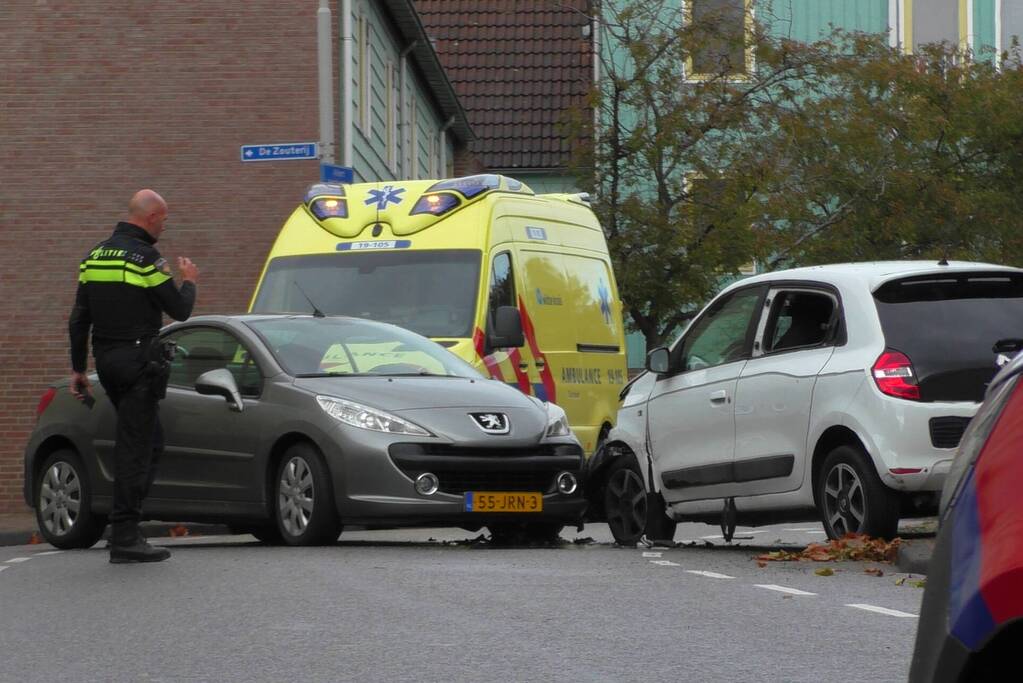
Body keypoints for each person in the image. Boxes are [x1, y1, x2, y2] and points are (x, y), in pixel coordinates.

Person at [68, 189, 199, 564]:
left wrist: (78, 368)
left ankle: (124, 528)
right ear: (152, 217)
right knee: (136, 449)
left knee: (148, 441)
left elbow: (79, 319)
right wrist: (188, 280)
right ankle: (124, 535)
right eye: (164, 220)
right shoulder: (146, 258)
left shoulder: (94, 256)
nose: (165, 226)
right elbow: (180, 310)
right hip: (139, 362)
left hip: (107, 362)